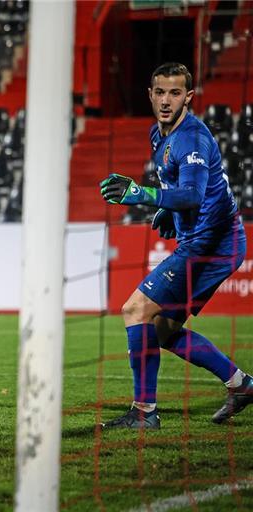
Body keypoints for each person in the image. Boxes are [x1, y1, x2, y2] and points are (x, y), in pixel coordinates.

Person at [99, 62, 251, 429]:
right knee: (162, 330)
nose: (167, 100)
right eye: (160, 92)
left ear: (188, 97)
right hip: (204, 240)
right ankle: (241, 384)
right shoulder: (158, 133)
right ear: (150, 95)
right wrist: (168, 210)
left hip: (212, 244)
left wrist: (143, 194)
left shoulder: (191, 138)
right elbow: (180, 188)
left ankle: (144, 413)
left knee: (136, 309)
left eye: (175, 93)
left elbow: (194, 194)